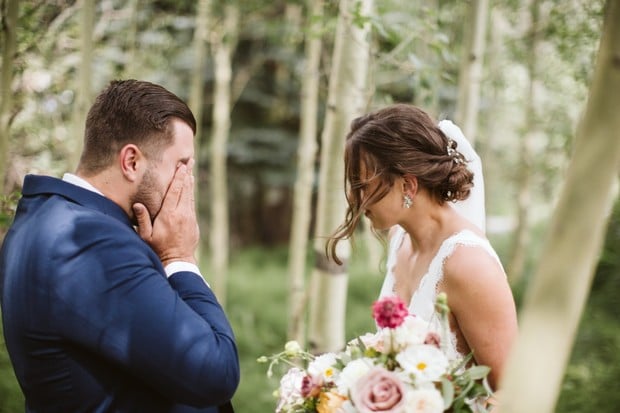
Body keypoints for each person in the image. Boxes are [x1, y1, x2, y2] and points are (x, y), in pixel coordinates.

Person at [0, 80, 239, 413]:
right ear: (131, 162)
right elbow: (215, 373)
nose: (188, 181)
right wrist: (179, 257)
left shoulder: (46, 218)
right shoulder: (91, 242)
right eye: (182, 164)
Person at [327, 103, 517, 391]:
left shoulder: (469, 265)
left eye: (362, 185)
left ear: (408, 186)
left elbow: (512, 395)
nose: (355, 199)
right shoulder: (399, 239)